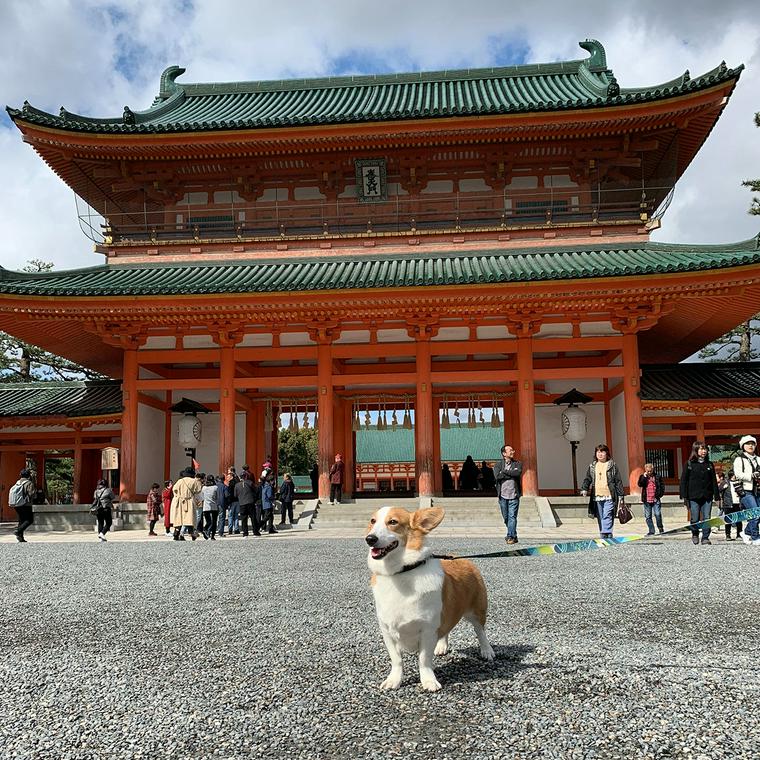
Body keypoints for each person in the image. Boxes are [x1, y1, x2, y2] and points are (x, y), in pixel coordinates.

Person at [679, 441, 719, 546]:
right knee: (695, 518)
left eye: (705, 449)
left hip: (707, 495)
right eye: (701, 449)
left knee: (707, 517)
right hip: (693, 495)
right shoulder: (689, 464)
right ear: (696, 450)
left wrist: (717, 495)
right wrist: (684, 496)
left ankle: (705, 537)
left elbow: (714, 481)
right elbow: (684, 480)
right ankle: (695, 534)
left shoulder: (709, 464)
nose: (704, 451)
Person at [581, 444, 625, 539]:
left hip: (610, 494)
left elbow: (618, 481)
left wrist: (621, 495)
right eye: (598, 452)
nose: (600, 454)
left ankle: (606, 532)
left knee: (608, 514)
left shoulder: (612, 465)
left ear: (607, 453)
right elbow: (588, 478)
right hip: (596, 495)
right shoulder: (592, 466)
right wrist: (584, 488)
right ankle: (605, 533)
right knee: (600, 516)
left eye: (602, 452)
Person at [732, 434, 760, 546]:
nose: (750, 446)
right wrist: (752, 475)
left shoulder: (758, 459)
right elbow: (738, 474)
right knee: (755, 513)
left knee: (759, 513)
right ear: (743, 446)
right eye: (748, 444)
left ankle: (746, 532)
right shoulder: (739, 459)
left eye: (752, 444)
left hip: (758, 490)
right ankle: (755, 536)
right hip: (746, 490)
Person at [494, 445, 523, 544]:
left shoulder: (517, 463)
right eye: (510, 450)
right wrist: (510, 473)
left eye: (512, 450)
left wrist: (505, 472)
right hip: (502, 495)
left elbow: (517, 473)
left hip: (514, 495)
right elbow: (497, 476)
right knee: (506, 517)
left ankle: (510, 536)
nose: (512, 452)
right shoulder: (498, 465)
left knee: (512, 516)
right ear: (504, 453)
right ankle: (514, 534)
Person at [171, 467, 202, 541]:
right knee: (189, 519)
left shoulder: (180, 481)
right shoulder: (194, 481)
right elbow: (198, 491)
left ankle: (176, 533)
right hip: (189, 501)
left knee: (179, 518)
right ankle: (192, 534)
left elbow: (174, 490)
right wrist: (198, 501)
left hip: (179, 501)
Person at [9, 467, 36, 543]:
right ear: (28, 475)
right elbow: (32, 494)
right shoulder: (29, 483)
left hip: (16, 504)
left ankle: (20, 537)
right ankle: (18, 531)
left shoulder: (18, 482)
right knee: (29, 520)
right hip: (25, 504)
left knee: (21, 520)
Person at [637, 463, 665, 536]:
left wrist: (659, 495)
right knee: (648, 516)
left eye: (650, 471)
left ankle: (660, 528)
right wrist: (644, 477)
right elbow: (640, 484)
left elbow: (662, 486)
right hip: (646, 499)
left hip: (655, 498)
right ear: (645, 470)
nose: (649, 472)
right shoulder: (643, 476)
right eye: (648, 471)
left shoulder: (657, 476)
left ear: (653, 469)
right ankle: (651, 530)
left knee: (657, 514)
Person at [718, 470, 742, 541]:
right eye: (734, 475)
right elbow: (719, 490)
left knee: (739, 520)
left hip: (737, 503)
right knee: (728, 520)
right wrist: (723, 487)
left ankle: (739, 534)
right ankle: (728, 534)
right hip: (728, 504)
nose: (735, 477)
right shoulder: (725, 482)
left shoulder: (738, 482)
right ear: (731, 475)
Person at [235, 471, 260, 537]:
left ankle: (245, 533)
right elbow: (256, 490)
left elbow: (235, 495)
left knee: (244, 519)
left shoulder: (237, 485)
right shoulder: (250, 483)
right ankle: (255, 532)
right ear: (246, 476)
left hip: (242, 503)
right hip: (250, 502)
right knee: (253, 517)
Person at [93, 478, 115, 543]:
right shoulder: (108, 490)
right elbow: (113, 497)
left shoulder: (96, 491)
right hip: (106, 508)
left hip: (98, 508)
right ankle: (102, 533)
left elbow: (95, 498)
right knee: (109, 522)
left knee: (100, 522)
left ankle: (100, 537)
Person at [201, 474, 219, 540]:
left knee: (208, 521)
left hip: (206, 507)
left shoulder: (204, 488)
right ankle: (212, 536)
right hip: (214, 506)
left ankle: (205, 529)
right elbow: (217, 497)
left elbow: (202, 497)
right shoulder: (215, 487)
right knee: (214, 522)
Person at [226, 467, 241, 535]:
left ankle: (230, 529)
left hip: (231, 501)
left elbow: (229, 493)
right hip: (237, 500)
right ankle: (236, 529)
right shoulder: (238, 482)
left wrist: (228, 502)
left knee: (230, 515)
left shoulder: (230, 484)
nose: (227, 477)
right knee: (236, 515)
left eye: (228, 474)